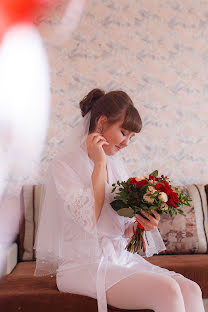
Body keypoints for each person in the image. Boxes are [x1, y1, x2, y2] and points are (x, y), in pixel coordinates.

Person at [34, 89, 205, 312]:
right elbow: (89, 220)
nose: (126, 143)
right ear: (102, 123)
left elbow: (121, 229)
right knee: (168, 290)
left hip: (119, 260)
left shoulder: (116, 167)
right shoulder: (64, 165)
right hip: (83, 266)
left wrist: (141, 225)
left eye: (131, 137)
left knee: (192, 289)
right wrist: (99, 164)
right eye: (124, 132)